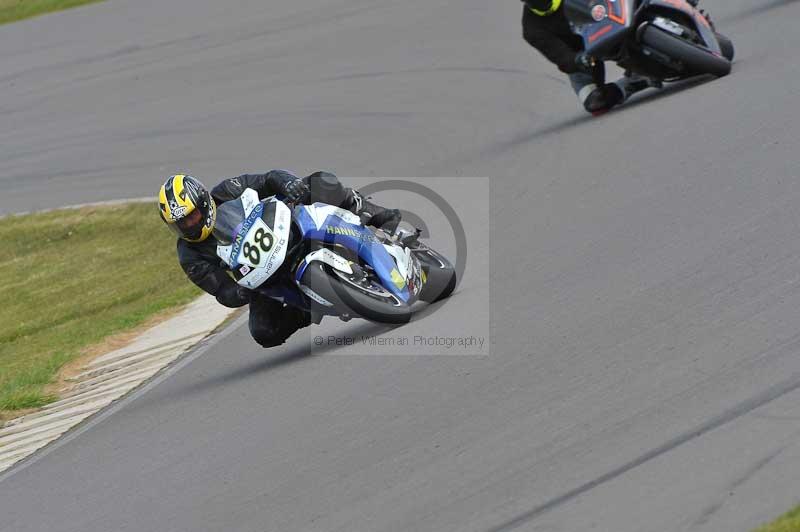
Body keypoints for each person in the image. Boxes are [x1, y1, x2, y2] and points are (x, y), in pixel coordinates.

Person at [158, 170, 401, 348]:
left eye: (192, 217)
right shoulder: (190, 254)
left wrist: (289, 184)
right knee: (264, 332)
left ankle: (372, 213)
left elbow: (266, 180)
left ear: (204, 203)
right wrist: (240, 292)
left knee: (320, 182)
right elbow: (221, 290)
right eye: (180, 223)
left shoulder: (227, 190)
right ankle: (306, 310)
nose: (188, 225)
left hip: (284, 229)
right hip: (260, 278)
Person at [521, 0, 660, 114]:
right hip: (586, 52)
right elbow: (560, 56)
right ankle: (633, 83)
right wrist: (576, 60)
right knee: (595, 102)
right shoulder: (531, 29)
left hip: (614, 15)